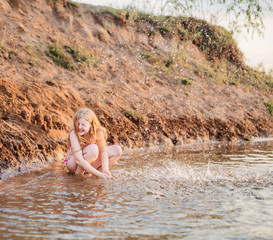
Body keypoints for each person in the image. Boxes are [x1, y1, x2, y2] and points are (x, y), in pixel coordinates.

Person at [64, 108, 122, 179]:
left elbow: (103, 151)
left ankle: (97, 174)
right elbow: (78, 160)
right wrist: (99, 174)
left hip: (88, 158)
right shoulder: (74, 133)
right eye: (78, 123)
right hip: (73, 163)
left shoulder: (98, 132)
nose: (79, 127)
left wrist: (105, 169)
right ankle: (78, 177)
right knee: (93, 149)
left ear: (91, 125)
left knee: (117, 150)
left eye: (83, 124)